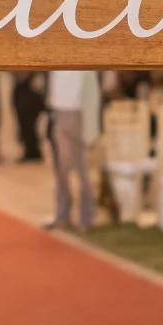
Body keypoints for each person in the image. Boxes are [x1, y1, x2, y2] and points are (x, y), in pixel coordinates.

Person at [46, 70, 101, 230]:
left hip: (78, 114)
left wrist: (91, 130)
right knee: (61, 169)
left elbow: (92, 95)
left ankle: (87, 218)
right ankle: (62, 215)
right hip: (59, 111)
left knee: (82, 169)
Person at [12, 72, 46, 161]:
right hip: (21, 88)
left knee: (30, 123)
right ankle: (29, 150)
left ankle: (33, 151)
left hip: (31, 89)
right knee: (23, 123)